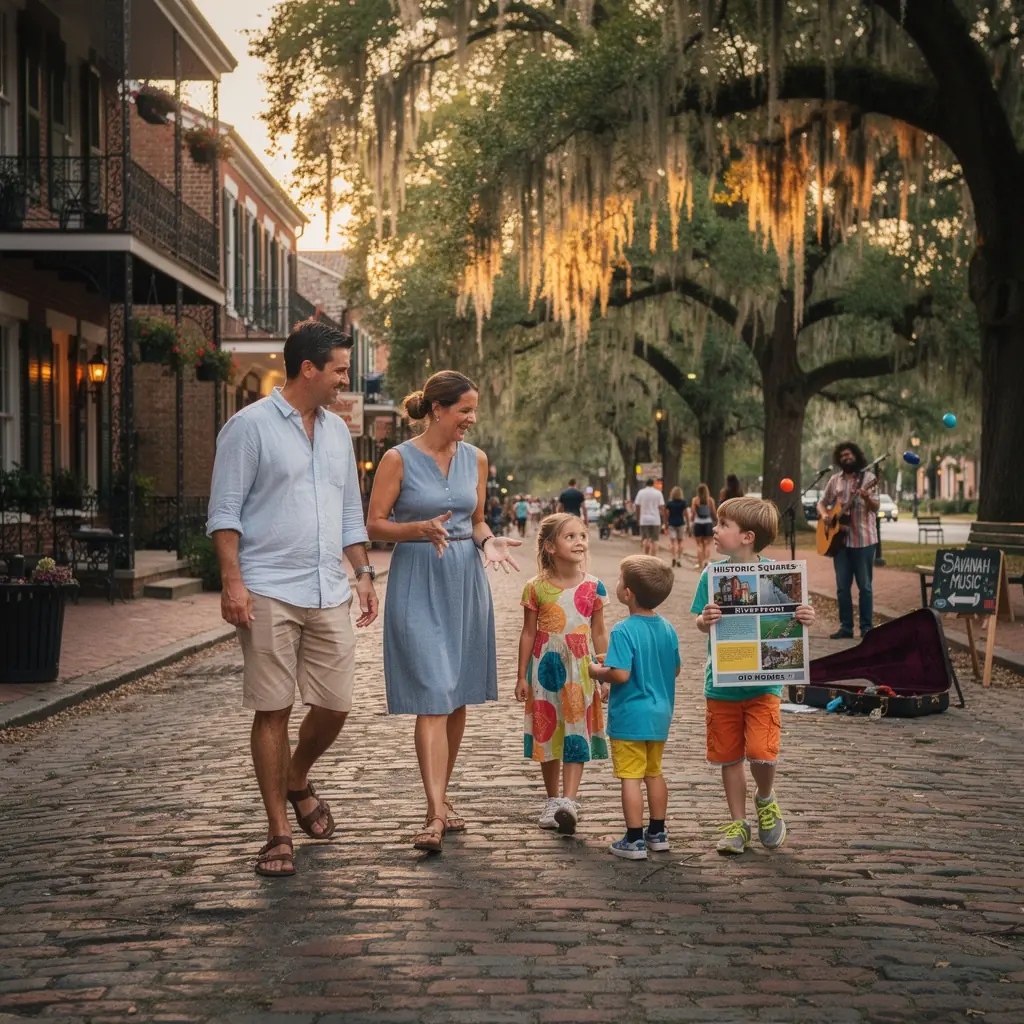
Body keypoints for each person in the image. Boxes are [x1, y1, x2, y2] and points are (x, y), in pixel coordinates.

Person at [206, 318, 379, 879]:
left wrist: (364, 573)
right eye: (340, 371)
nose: (345, 382)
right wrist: (233, 582)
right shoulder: (248, 427)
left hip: (328, 586)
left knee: (335, 705)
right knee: (274, 706)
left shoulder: (335, 431)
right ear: (309, 369)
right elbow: (225, 514)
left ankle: (297, 775)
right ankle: (278, 831)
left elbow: (350, 510)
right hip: (268, 588)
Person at [367, 370, 521, 853]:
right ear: (437, 409)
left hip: (464, 576)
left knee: (456, 695)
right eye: (464, 411)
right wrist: (417, 530)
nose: (471, 420)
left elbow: (476, 521)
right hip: (418, 574)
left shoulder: (476, 459)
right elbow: (373, 523)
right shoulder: (397, 459)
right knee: (433, 691)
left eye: (474, 411)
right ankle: (435, 814)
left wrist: (490, 542)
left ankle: (441, 798)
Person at [691, 497, 816, 855]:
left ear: (746, 536)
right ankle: (737, 823)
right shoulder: (710, 575)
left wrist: (806, 616)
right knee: (729, 756)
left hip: (765, 685)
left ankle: (765, 799)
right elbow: (700, 622)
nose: (714, 530)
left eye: (723, 525)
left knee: (762, 752)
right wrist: (706, 620)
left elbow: (796, 618)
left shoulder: (779, 573)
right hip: (722, 684)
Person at [516, 514, 609, 835]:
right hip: (546, 668)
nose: (579, 541)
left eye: (582, 535)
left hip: (581, 670)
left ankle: (570, 800)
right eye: (570, 537)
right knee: (548, 730)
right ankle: (553, 799)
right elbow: (528, 633)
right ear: (550, 547)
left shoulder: (593, 587)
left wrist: (604, 670)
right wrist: (521, 676)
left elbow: (599, 632)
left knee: (575, 730)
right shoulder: (535, 588)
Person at [590, 556, 680, 861]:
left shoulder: (623, 630)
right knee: (654, 773)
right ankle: (657, 833)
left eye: (619, 579)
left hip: (631, 715)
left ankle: (633, 839)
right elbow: (675, 668)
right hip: (660, 715)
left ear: (628, 593)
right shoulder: (667, 628)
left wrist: (597, 671)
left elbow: (620, 675)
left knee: (630, 776)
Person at [816, 442, 879, 639]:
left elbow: (876, 507)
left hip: (864, 540)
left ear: (856, 456)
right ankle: (846, 627)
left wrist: (867, 498)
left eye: (849, 453)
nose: (846, 457)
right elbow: (822, 503)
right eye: (842, 455)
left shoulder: (868, 479)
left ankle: (867, 628)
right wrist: (825, 516)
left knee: (865, 587)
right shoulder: (835, 480)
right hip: (839, 543)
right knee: (843, 588)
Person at [634, 478, 666, 556]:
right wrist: (664, 520)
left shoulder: (641, 493)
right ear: (653, 484)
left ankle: (646, 555)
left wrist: (638, 518)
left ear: (646, 484)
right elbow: (662, 507)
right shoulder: (658, 493)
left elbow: (637, 506)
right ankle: (653, 557)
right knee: (655, 540)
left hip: (644, 519)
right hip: (655, 520)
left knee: (645, 539)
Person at [690, 483, 717, 570]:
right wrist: (716, 521)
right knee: (707, 544)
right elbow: (714, 512)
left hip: (698, 523)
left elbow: (693, 513)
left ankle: (699, 563)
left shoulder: (695, 500)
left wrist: (692, 521)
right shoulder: (710, 500)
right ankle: (706, 561)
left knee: (699, 545)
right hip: (708, 523)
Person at [665, 486, 689, 568]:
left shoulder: (669, 503)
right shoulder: (683, 503)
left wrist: (665, 523)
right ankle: (679, 559)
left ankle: (673, 558)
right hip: (681, 523)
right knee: (680, 543)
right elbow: (686, 514)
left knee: (673, 543)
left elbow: (667, 514)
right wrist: (688, 524)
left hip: (671, 524)